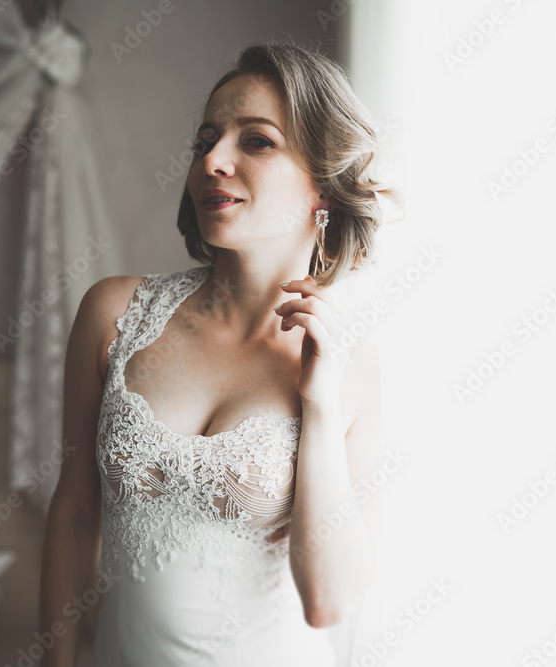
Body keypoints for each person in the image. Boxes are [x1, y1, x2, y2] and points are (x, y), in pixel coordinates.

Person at [39, 41, 397, 667]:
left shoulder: (351, 368)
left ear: (324, 191)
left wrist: (316, 401)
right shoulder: (113, 315)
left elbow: (328, 602)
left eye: (255, 141)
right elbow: (73, 513)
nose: (212, 160)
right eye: (205, 140)